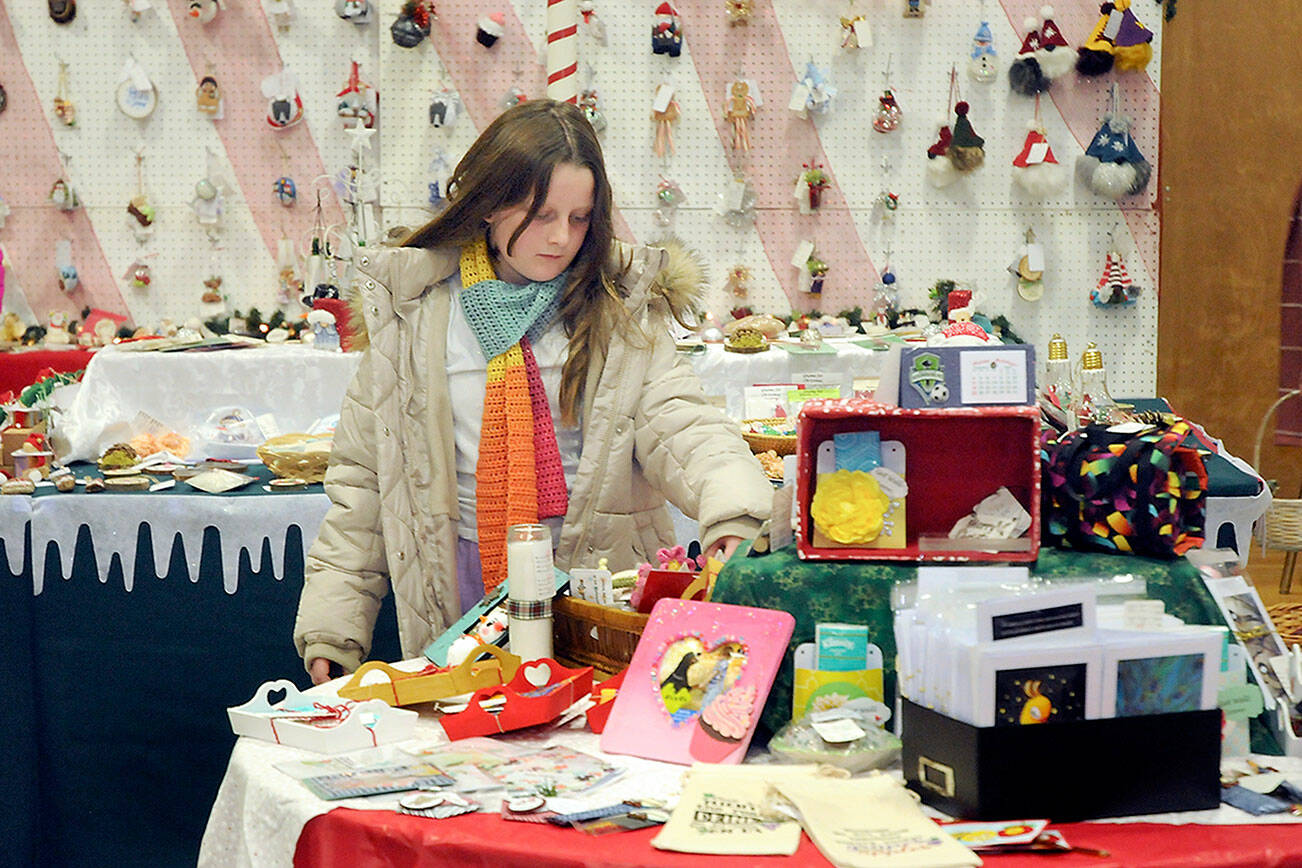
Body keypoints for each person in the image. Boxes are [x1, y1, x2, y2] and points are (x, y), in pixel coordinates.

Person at [294, 99, 772, 684]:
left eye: (579, 218)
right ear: (490, 203)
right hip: (462, 580)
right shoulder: (415, 315)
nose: (561, 238)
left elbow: (686, 426)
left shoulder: (620, 312)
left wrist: (734, 513)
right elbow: (366, 489)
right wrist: (331, 629)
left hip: (596, 587)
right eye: (541, 214)